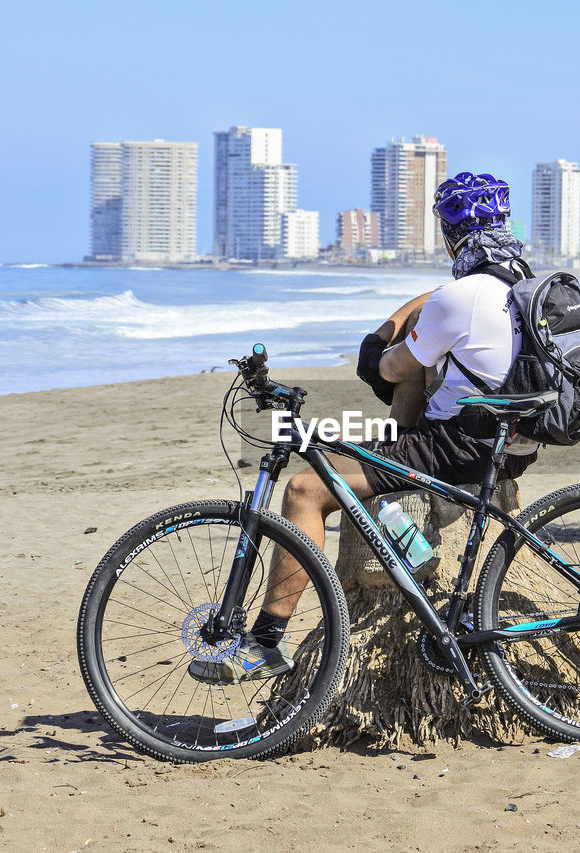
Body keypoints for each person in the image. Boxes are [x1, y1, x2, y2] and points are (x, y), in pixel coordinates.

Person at [190, 172, 540, 685]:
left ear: (448, 232)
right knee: (369, 441)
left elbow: (388, 367)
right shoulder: (524, 286)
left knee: (306, 490)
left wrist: (387, 334)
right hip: (514, 439)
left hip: (460, 444)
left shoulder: (459, 297)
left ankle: (263, 644)